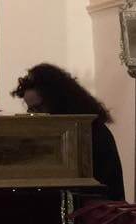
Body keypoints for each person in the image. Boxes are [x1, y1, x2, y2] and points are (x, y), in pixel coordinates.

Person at [12, 63, 125, 201]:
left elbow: (100, 188)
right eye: (31, 110)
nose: (35, 116)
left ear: (57, 101)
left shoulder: (92, 132)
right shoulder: (56, 133)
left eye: (39, 108)